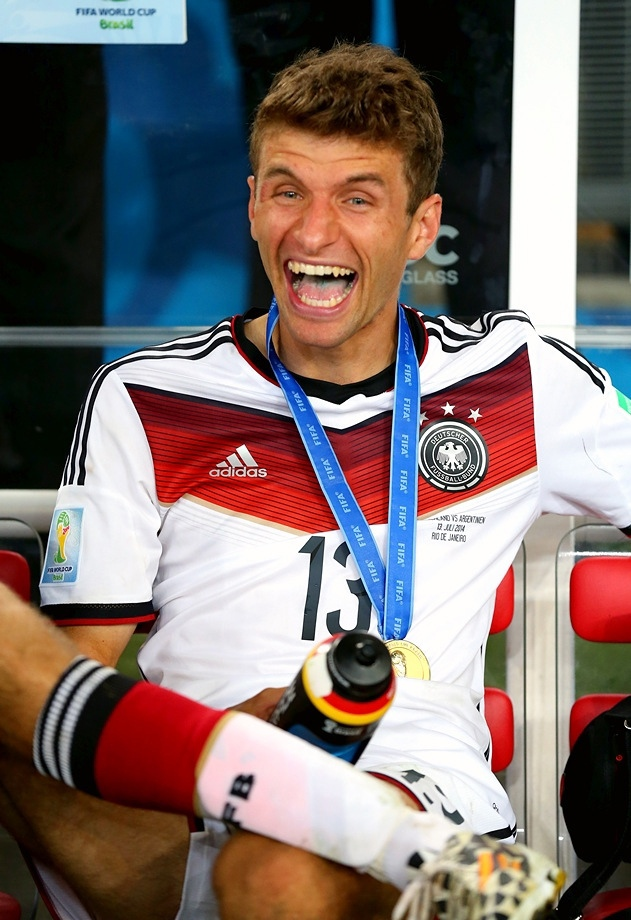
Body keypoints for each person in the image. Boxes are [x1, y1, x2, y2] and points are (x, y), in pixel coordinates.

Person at [3, 38, 624, 919]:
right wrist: (232, 735)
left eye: (356, 198)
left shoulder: (514, 380)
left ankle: (349, 823)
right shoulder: (145, 396)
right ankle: (252, 772)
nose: (313, 233)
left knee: (279, 864)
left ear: (421, 227)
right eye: (287, 190)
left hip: (413, 781)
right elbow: (69, 687)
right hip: (183, 808)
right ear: (253, 204)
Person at [0, 580, 562, 920]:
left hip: (414, 759)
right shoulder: (138, 411)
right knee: (271, 877)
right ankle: (337, 811)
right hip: (191, 775)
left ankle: (306, 797)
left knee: (277, 876)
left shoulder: (525, 410)